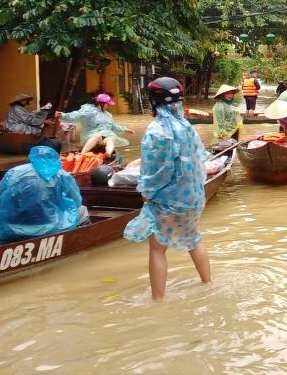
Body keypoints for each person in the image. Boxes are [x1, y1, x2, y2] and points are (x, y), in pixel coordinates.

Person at [123, 77, 211, 301]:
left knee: (157, 249)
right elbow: (198, 159)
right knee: (194, 239)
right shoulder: (187, 127)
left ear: (153, 102)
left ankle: (158, 300)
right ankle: (208, 284)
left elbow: (157, 172)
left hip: (168, 200)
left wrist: (147, 193)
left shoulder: (156, 132)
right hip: (193, 197)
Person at [0, 140, 88, 243]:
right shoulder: (63, 175)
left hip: (11, 229)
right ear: (57, 155)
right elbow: (77, 202)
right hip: (50, 229)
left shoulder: (14, 172)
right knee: (83, 210)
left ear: (34, 152)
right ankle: (75, 242)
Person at [57, 93, 135, 156]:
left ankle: (108, 154)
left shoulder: (108, 115)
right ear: (101, 103)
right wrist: (62, 115)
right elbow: (75, 115)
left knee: (111, 139)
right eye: (107, 104)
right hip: (91, 136)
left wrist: (125, 129)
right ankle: (82, 154)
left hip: (104, 137)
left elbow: (113, 126)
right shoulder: (89, 111)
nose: (108, 106)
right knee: (97, 135)